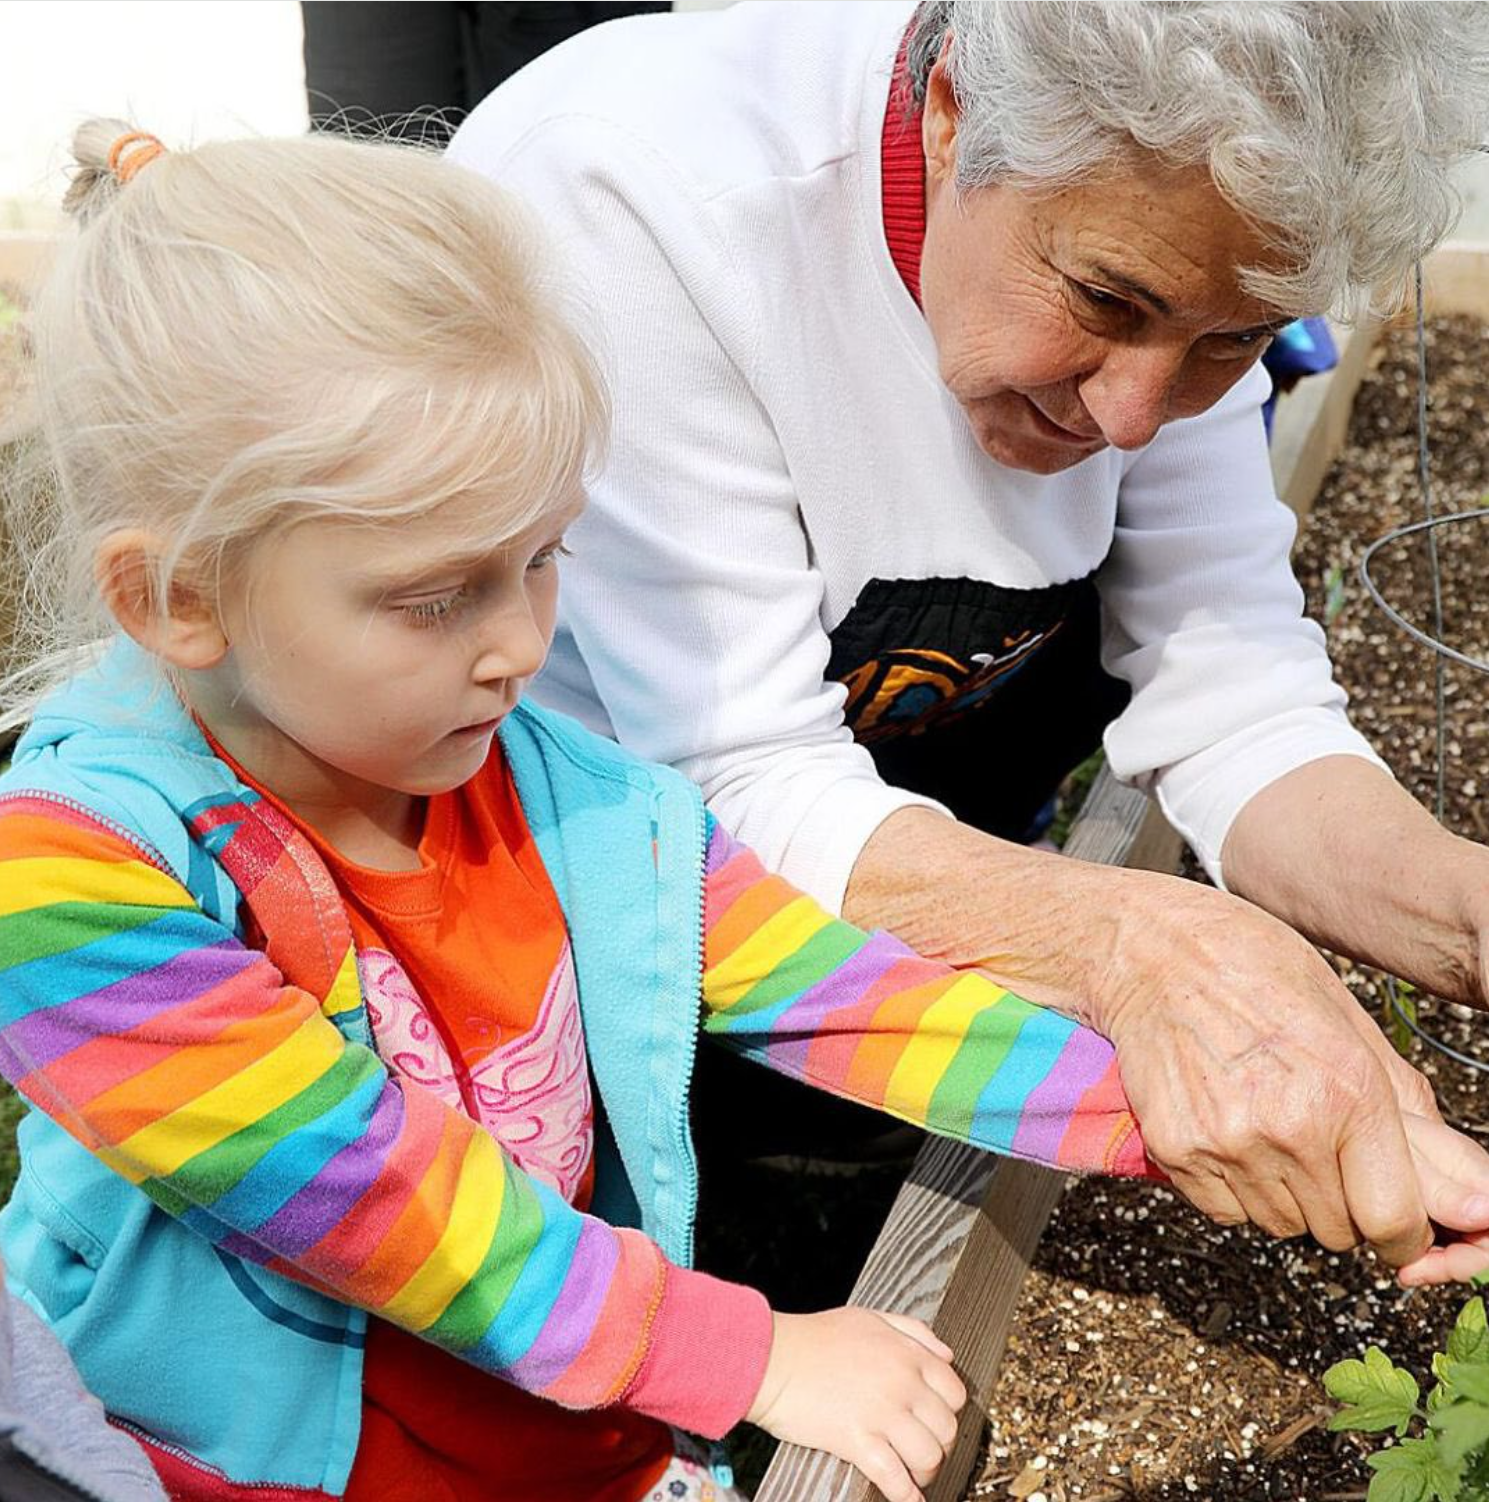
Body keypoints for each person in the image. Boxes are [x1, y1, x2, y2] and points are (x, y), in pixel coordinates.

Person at [14, 120, 1470, 1502]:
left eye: (538, 558)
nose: (519, 644)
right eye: (434, 594)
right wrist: (756, 1350)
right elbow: (372, 1200)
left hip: (573, 1420)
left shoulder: (543, 779)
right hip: (260, 1463)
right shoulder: (79, 873)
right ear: (179, 597)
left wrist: (1225, 1110)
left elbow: (850, 994)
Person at [449, 0, 1489, 1269]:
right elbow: (733, 776)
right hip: (568, 894)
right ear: (951, 119)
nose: (1133, 416)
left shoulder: (1183, 230)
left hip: (886, 776)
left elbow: (1235, 705)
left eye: (1233, 341)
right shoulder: (631, 202)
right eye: (1106, 299)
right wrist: (1144, 943)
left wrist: (1461, 912)